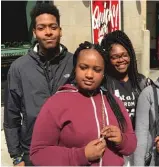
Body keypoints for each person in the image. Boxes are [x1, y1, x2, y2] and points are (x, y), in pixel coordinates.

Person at [30, 41, 137, 166]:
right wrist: (82, 155)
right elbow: (38, 154)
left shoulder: (114, 101)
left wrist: (121, 139)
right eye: (84, 67)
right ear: (75, 68)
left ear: (103, 74)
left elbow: (131, 145)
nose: (89, 75)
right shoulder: (56, 103)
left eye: (97, 70)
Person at [3, 3, 73, 166]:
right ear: (34, 32)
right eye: (42, 28)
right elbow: (11, 117)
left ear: (60, 30)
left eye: (53, 27)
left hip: (70, 150)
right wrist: (16, 156)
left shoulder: (75, 62)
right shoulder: (19, 68)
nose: (48, 32)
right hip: (33, 151)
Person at [100, 30, 150, 166]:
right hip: (114, 148)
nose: (121, 60)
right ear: (108, 59)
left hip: (139, 147)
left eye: (124, 55)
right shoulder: (103, 84)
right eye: (115, 57)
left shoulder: (143, 82)